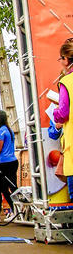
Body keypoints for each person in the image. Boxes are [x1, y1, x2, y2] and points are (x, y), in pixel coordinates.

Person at [50, 39, 73, 202]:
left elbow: (63, 113)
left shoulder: (66, 82)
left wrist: (56, 112)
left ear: (66, 59)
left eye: (60, 59)